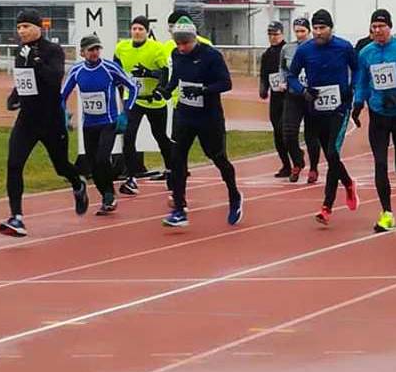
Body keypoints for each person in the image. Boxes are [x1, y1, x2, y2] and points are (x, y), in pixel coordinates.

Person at [0, 9, 89, 237]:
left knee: (61, 166)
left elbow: (54, 78)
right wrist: (14, 96)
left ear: (39, 28)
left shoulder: (53, 50)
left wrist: (36, 61)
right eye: (19, 27)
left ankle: (77, 183)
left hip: (51, 121)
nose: (22, 31)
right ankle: (16, 217)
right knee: (14, 164)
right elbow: (23, 79)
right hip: (27, 120)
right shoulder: (20, 51)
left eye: (26, 27)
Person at [157, 17, 243, 228]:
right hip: (184, 114)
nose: (181, 47)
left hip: (209, 116)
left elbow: (226, 83)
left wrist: (203, 89)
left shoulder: (211, 55)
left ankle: (234, 195)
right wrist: (165, 91)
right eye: (178, 43)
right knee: (177, 160)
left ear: (194, 39)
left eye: (185, 43)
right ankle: (179, 208)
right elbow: (175, 78)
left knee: (218, 157)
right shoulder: (176, 54)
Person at [286, 9, 360, 225]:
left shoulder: (344, 47)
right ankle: (348, 183)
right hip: (316, 107)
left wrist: (352, 88)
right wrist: (302, 91)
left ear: (331, 28)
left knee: (332, 152)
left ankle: (326, 206)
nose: (318, 32)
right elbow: (291, 75)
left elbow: (357, 70)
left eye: (322, 28)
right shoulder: (305, 50)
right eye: (315, 28)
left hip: (339, 107)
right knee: (329, 156)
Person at [352, 9, 396, 233]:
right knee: (380, 163)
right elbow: (362, 81)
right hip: (378, 114)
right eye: (374, 27)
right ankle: (387, 213)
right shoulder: (366, 53)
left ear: (390, 27)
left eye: (382, 26)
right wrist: (358, 102)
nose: (378, 30)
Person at [61, 35, 138, 215]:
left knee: (102, 159)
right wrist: (64, 115)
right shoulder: (77, 71)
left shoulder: (109, 68)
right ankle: (107, 195)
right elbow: (62, 96)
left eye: (97, 49)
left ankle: (109, 195)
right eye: (91, 50)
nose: (95, 53)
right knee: (93, 166)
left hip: (108, 123)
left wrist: (125, 113)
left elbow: (133, 87)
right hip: (89, 125)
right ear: (82, 52)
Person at [113, 15, 173, 194]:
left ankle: (171, 170)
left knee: (160, 136)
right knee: (128, 136)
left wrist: (149, 74)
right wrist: (120, 96)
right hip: (134, 99)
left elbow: (165, 73)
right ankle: (131, 177)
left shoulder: (156, 48)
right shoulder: (121, 47)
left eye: (141, 29)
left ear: (147, 32)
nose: (137, 32)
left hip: (154, 100)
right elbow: (116, 71)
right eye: (134, 29)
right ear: (130, 30)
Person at [281, 18, 322, 183]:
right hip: (293, 94)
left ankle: (313, 168)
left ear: (309, 32)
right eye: (296, 31)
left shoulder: (316, 47)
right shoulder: (288, 48)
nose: (299, 34)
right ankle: (297, 160)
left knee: (312, 135)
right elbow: (283, 67)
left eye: (302, 31)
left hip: (311, 96)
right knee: (288, 133)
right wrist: (284, 80)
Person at [259, 21, 294, 178]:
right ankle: (286, 165)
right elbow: (264, 74)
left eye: (275, 34)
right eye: (270, 34)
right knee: (277, 133)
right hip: (275, 97)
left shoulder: (288, 50)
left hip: (288, 96)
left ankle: (297, 160)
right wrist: (263, 88)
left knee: (284, 130)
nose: (272, 37)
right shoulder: (267, 54)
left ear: (282, 34)